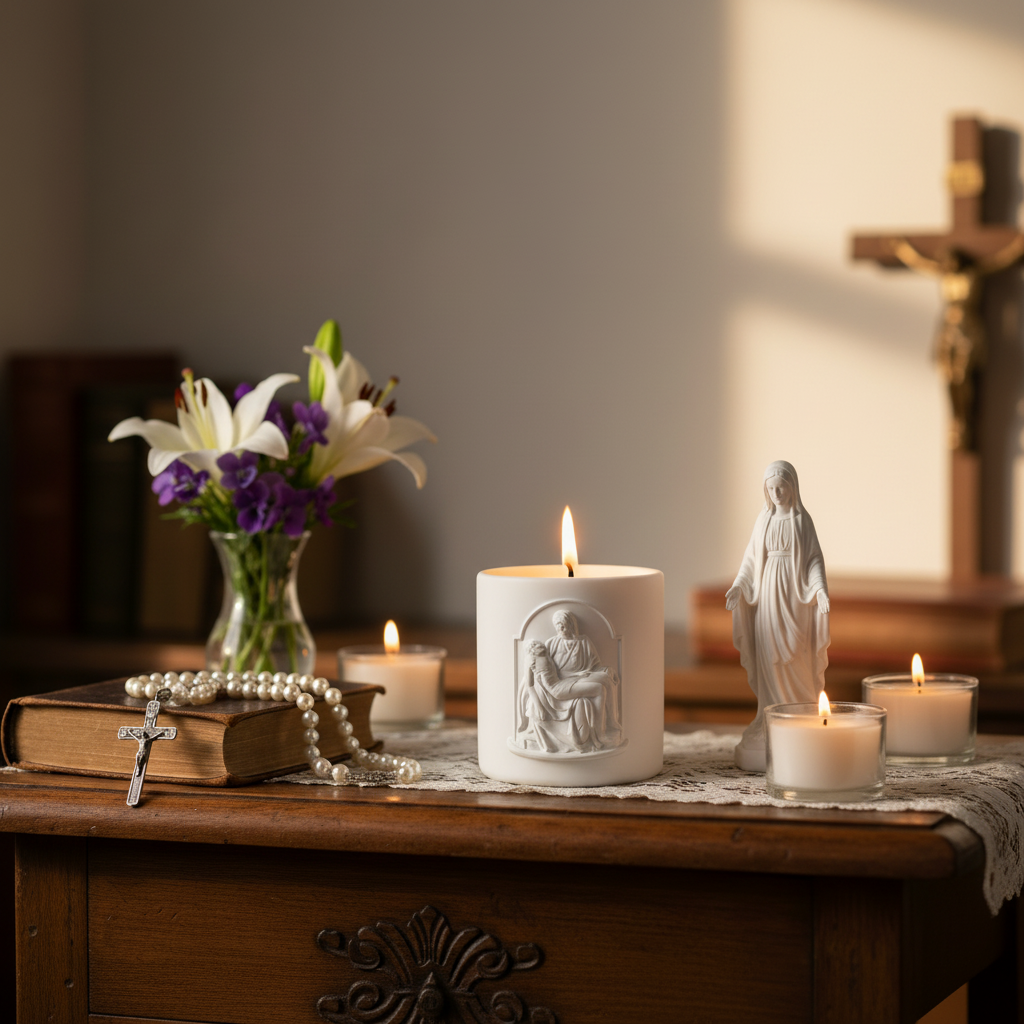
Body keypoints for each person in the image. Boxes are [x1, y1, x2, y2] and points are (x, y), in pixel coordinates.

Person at [726, 461, 830, 771]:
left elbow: (813, 560)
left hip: (795, 599)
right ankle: (770, 715)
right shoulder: (763, 520)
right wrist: (738, 586)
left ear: (792, 487)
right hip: (768, 597)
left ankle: (799, 714)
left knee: (794, 654)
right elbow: (749, 560)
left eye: (781, 486)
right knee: (770, 655)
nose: (777, 492)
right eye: (771, 488)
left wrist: (820, 590)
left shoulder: (802, 521)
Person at [515, 611, 622, 754]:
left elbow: (594, 666)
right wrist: (539, 702)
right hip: (561, 685)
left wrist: (605, 669)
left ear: (571, 625)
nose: (561, 629)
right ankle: (599, 734)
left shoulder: (583, 642)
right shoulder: (551, 644)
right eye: (558, 626)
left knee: (606, 680)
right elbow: (533, 680)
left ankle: (607, 726)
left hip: (580, 676)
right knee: (599, 689)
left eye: (563, 625)